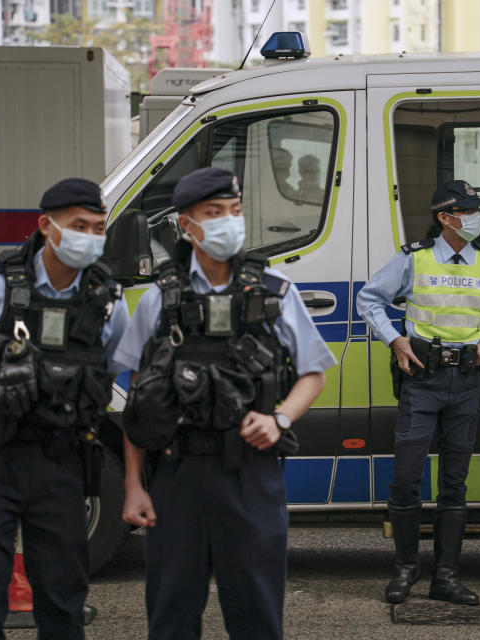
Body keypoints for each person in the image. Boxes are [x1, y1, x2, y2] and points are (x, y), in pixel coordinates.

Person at [115, 167, 336, 640]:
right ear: (186, 225)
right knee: (172, 617)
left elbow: (313, 373)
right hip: (176, 477)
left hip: (250, 476)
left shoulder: (273, 290)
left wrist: (279, 419)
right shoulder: (160, 299)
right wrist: (134, 485)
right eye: (213, 214)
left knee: (256, 614)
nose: (227, 223)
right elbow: (139, 400)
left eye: (234, 212)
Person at [0, 178, 129, 639]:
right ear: (46, 225)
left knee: (62, 599)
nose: (91, 236)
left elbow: (111, 372)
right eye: (79, 225)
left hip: (60, 461)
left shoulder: (108, 302)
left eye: (99, 227)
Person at [357, 179, 480, 606]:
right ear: (446, 218)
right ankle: (406, 571)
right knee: (406, 479)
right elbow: (369, 299)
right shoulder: (415, 259)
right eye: (468, 211)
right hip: (423, 379)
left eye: (476, 210)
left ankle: (445, 577)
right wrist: (395, 339)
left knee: (454, 484)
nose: (475, 218)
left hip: (467, 382)